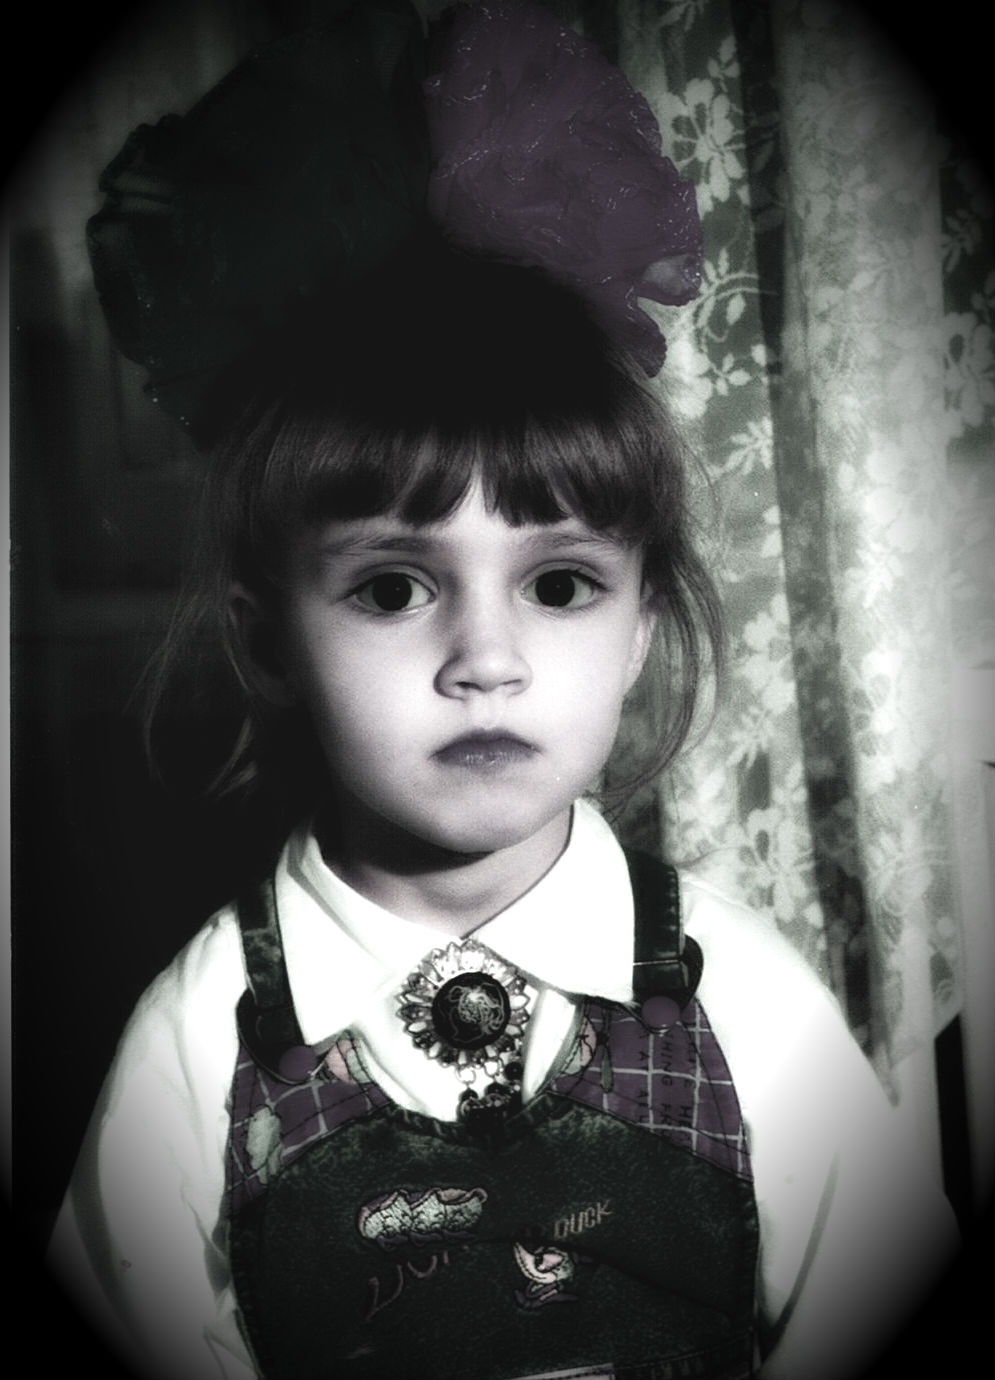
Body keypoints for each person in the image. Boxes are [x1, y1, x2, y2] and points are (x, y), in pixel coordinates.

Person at [48, 4, 957, 1379]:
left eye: (560, 584)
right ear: (269, 638)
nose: (488, 659)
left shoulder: (749, 1005)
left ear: (643, 627)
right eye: (392, 589)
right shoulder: (201, 1040)